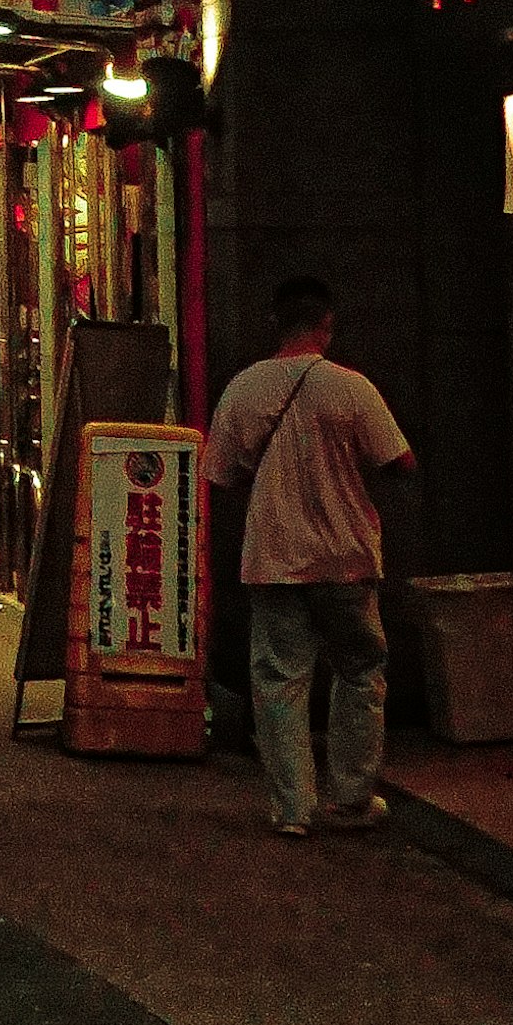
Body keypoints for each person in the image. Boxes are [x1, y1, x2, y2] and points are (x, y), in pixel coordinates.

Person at [206, 277, 417, 840]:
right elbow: (401, 462)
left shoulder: (243, 390)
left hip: (273, 558)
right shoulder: (352, 389)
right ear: (327, 326)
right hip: (345, 558)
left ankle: (292, 807)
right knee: (361, 671)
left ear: (277, 325)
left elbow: (219, 476)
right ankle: (350, 798)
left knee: (279, 678)